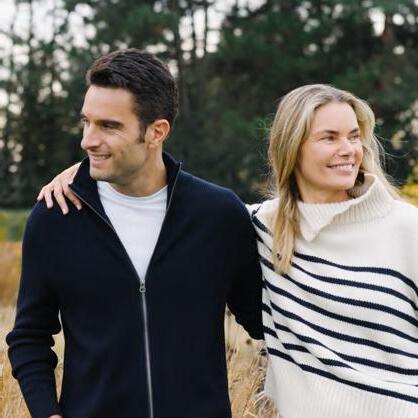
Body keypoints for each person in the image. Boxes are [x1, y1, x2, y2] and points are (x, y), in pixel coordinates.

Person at [36, 83, 418, 417]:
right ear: (292, 147)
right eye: (329, 138)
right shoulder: (259, 227)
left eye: (354, 136)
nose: (348, 149)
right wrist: (85, 174)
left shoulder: (406, 228)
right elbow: (172, 196)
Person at [6, 49, 263, 418]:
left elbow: (264, 321)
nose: (88, 140)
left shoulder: (218, 215)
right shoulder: (56, 217)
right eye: (86, 122)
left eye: (108, 126)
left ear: (156, 132)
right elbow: (29, 337)